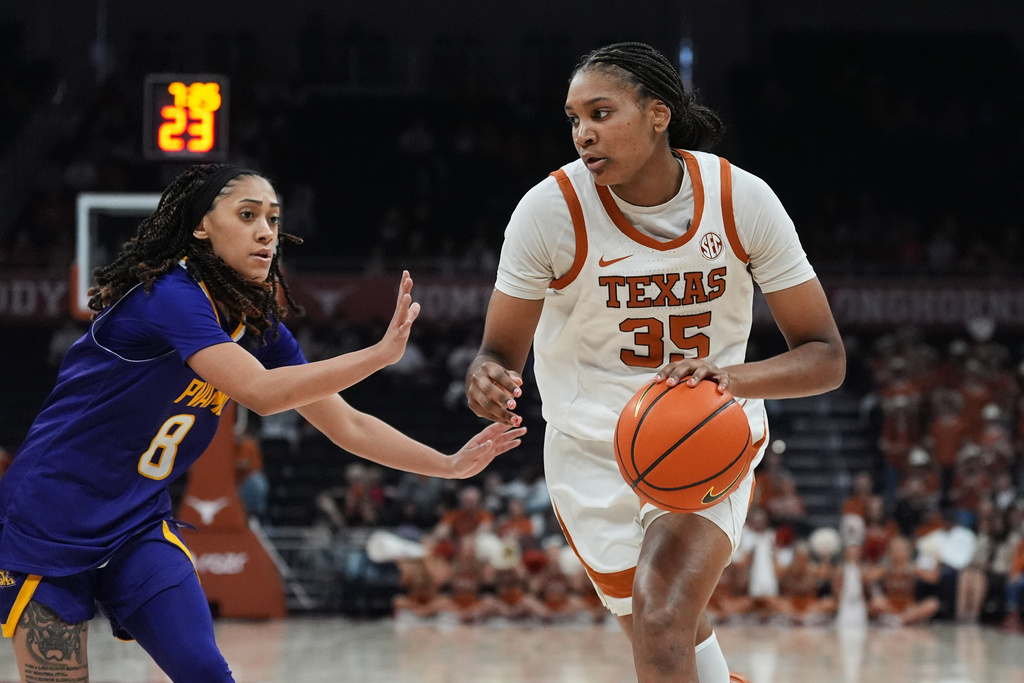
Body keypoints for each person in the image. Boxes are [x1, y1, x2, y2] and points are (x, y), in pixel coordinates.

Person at [0, 163, 525, 683]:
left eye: (273, 219)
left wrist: (449, 465)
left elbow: (347, 424)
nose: (266, 232)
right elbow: (260, 394)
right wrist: (379, 355)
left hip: (135, 521)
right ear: (201, 226)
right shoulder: (171, 295)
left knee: (205, 670)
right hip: (50, 518)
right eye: (247, 215)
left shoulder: (256, 324)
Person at [465, 42, 844, 683]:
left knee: (662, 616)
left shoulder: (740, 199)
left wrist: (732, 378)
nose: (584, 133)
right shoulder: (549, 211)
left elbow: (825, 357)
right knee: (668, 640)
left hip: (705, 437)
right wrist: (486, 375)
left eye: (602, 113)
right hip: (590, 451)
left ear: (658, 115)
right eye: (574, 118)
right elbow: (498, 350)